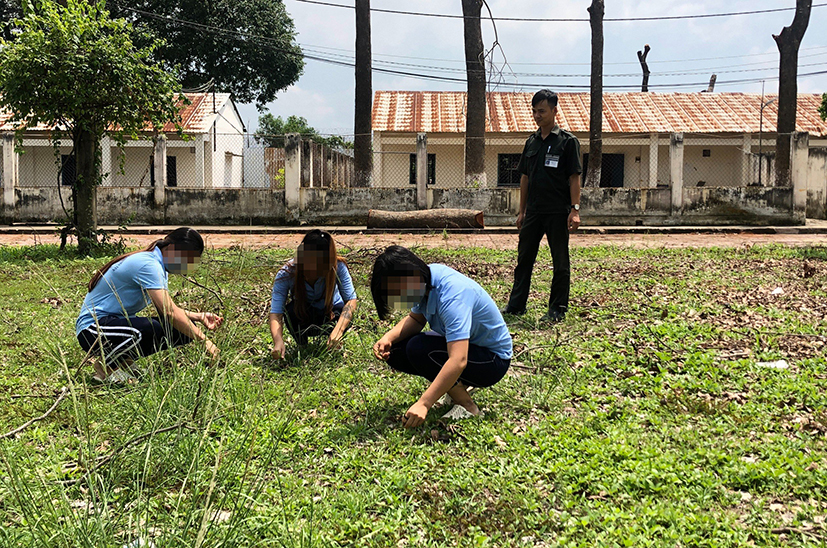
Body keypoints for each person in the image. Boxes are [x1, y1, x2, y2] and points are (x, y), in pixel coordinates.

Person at [371, 246, 512, 429]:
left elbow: (458, 360)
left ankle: (468, 407)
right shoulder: (427, 280)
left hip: (492, 360)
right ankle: (455, 389)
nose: (398, 300)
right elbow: (416, 319)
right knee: (396, 351)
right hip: (468, 348)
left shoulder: (452, 297)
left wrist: (424, 403)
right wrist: (388, 338)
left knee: (419, 348)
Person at [76, 227, 223, 384]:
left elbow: (167, 309)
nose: (187, 267)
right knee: (145, 330)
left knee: (182, 330)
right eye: (186, 260)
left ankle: (123, 361)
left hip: (113, 326)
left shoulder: (158, 266)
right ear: (171, 249)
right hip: (92, 330)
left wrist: (199, 317)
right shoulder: (148, 264)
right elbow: (169, 312)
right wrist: (205, 341)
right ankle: (106, 368)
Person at [503, 89, 582, 323]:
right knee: (524, 259)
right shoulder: (531, 141)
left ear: (554, 111)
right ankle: (516, 306)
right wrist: (522, 210)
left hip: (558, 211)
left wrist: (575, 210)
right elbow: (525, 177)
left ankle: (557, 308)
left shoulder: (568, 142)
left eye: (542, 111)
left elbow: (574, 177)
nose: (537, 116)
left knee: (560, 261)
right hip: (534, 213)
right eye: (534, 111)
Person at [269, 229, 358, 358]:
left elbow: (351, 301)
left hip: (331, 315)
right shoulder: (287, 273)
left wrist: (338, 330)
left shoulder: (338, 267)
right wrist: (278, 341)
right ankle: (302, 345)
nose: (311, 272)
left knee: (345, 312)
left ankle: (332, 342)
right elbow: (276, 313)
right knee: (290, 312)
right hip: (304, 316)